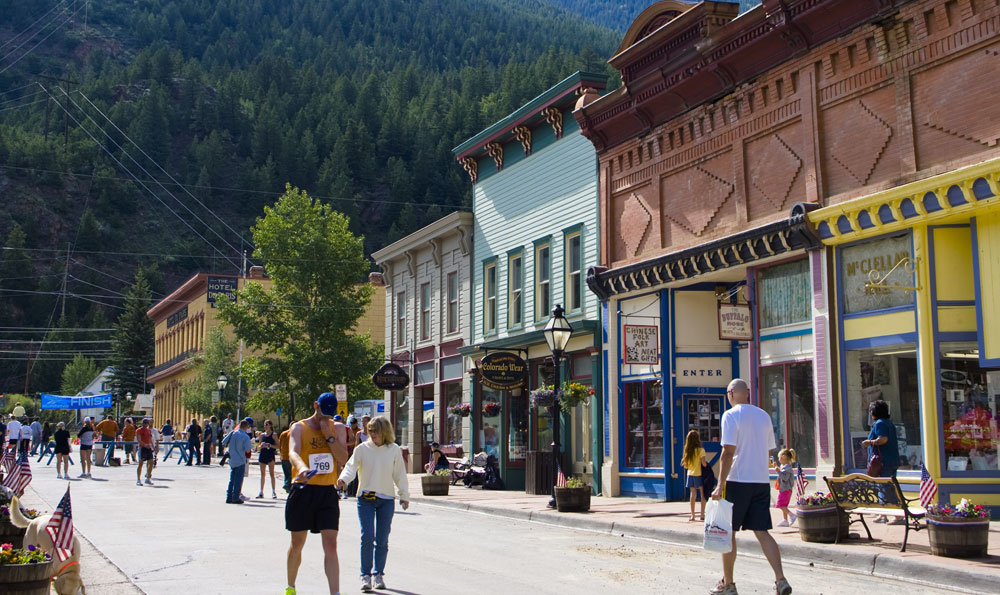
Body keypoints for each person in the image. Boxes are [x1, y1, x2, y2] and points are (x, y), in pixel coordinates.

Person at [710, 379, 791, 595]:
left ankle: (728, 584)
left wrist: (720, 485)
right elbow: (767, 452)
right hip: (760, 481)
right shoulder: (763, 416)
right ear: (746, 393)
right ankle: (780, 579)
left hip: (737, 480)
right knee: (762, 532)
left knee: (729, 533)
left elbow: (727, 453)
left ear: (731, 394)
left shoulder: (731, 415)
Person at [284, 392, 350, 595]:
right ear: (315, 406)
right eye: (323, 413)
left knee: (331, 544)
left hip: (326, 493)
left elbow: (342, 458)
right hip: (303, 491)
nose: (326, 417)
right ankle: (291, 587)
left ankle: (335, 593)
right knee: (297, 543)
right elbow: (293, 451)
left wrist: (329, 436)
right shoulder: (299, 427)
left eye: (330, 414)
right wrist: (302, 468)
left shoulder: (337, 428)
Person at [338, 416, 410, 593]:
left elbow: (400, 474)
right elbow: (351, 467)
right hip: (366, 499)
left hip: (386, 499)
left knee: (383, 539)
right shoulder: (362, 449)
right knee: (367, 536)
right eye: (370, 431)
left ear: (384, 432)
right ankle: (365, 576)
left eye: (375, 431)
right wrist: (343, 479)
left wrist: (404, 495)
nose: (372, 434)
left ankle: (378, 575)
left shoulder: (393, 450)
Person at [862, 400, 900, 524]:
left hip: (884, 461)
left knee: (886, 487)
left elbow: (883, 439)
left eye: (871, 411)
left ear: (875, 412)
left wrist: (869, 442)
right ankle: (883, 513)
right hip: (890, 459)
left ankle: (898, 514)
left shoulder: (880, 423)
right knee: (882, 486)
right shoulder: (888, 423)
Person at [222, 420, 253, 504]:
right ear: (246, 427)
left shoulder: (232, 433)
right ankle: (235, 497)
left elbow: (224, 442)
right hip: (240, 459)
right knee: (238, 480)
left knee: (232, 479)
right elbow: (247, 450)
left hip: (232, 459)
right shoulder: (245, 437)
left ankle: (229, 497)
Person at [681, 429, 708, 522]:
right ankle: (702, 514)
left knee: (693, 495)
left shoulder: (687, 451)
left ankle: (692, 515)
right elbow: (704, 463)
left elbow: (686, 465)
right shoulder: (701, 450)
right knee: (702, 494)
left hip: (690, 474)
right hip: (699, 474)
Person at [774, 448, 797, 527]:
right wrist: (778, 469)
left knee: (780, 505)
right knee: (784, 505)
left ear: (785, 458)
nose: (779, 459)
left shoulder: (788, 468)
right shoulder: (784, 467)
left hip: (786, 489)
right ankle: (785, 520)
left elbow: (785, 478)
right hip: (784, 489)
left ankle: (792, 515)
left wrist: (778, 471)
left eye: (781, 458)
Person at [257, 419, 278, 499]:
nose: (265, 426)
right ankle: (261, 491)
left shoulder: (274, 435)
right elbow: (258, 446)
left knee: (272, 473)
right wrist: (261, 445)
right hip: (263, 454)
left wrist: (270, 445)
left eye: (267, 424)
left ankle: (273, 491)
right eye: (265, 424)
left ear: (270, 425)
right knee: (262, 474)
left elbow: (278, 446)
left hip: (270, 455)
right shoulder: (262, 435)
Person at [136, 418, 155, 486]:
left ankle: (148, 477)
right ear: (142, 423)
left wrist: (153, 447)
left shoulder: (149, 431)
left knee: (151, 462)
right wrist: (144, 444)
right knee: (141, 463)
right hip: (142, 447)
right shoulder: (139, 430)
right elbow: (139, 439)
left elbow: (150, 439)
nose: (146, 424)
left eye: (147, 423)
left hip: (148, 447)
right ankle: (138, 479)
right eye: (145, 423)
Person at [279, 426, 293, 493]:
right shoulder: (293, 433)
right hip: (290, 456)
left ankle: (288, 487)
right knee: (292, 473)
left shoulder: (283, 433)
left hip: (283, 456)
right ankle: (287, 485)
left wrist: (280, 453)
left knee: (286, 473)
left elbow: (280, 444)